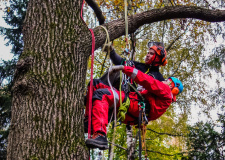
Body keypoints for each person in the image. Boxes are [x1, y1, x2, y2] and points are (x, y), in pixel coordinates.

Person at [85, 65, 183, 150]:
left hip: (134, 105)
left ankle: (100, 135)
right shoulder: (161, 97)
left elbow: (148, 81)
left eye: (167, 81)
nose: (163, 81)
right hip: (132, 103)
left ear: (172, 87)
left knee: (102, 95)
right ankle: (88, 121)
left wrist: (124, 68)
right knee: (94, 84)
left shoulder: (166, 91)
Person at [84, 42, 168, 124]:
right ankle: (93, 97)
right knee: (115, 72)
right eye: (148, 53)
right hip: (124, 93)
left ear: (157, 58)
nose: (147, 55)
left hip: (135, 103)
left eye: (151, 54)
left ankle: (96, 123)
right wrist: (112, 52)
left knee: (108, 111)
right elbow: (121, 62)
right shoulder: (139, 66)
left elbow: (157, 103)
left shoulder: (159, 79)